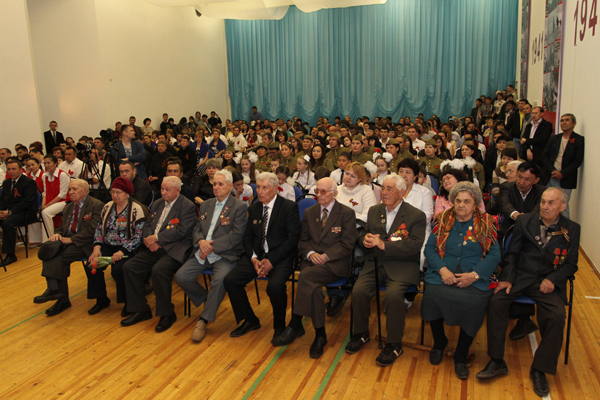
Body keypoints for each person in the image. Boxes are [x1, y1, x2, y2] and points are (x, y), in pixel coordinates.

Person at [477, 188, 579, 398]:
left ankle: (540, 369)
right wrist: (507, 277)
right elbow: (511, 254)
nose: (545, 207)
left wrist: (553, 280)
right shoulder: (525, 221)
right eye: (543, 202)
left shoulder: (572, 229)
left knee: (557, 315)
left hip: (548, 282)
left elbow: (571, 264)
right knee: (496, 301)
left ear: (562, 206)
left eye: (551, 203)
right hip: (521, 277)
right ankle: (497, 360)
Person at [345, 174, 426, 366]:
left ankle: (394, 343)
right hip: (375, 262)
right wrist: (364, 240)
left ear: (402, 192)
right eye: (383, 188)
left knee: (393, 296)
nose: (385, 192)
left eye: (390, 189)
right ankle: (361, 333)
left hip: (403, 265)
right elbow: (364, 232)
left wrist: (384, 245)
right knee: (358, 291)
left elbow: (415, 245)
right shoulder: (375, 211)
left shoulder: (416, 215)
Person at [422, 181, 500, 379]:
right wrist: (443, 270)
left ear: (475, 204)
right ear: (452, 202)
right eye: (458, 201)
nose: (461, 205)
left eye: (467, 201)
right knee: (432, 294)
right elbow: (430, 249)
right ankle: (439, 342)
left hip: (474, 276)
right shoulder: (442, 219)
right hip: (443, 273)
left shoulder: (486, 222)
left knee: (475, 303)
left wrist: (474, 275)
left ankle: (461, 354)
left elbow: (494, 254)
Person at [272, 178, 356, 358]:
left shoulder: (346, 213)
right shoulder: (310, 212)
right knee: (314, 287)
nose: (318, 195)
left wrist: (326, 256)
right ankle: (320, 335)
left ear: (334, 193)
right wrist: (310, 254)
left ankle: (295, 323)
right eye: (317, 191)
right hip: (311, 263)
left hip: (334, 264)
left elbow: (347, 244)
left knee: (305, 277)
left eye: (323, 192)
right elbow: (302, 240)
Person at [224, 172, 301, 340]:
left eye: (264, 187)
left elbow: (292, 240)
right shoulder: (254, 208)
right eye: (258, 187)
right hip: (257, 256)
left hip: (281, 257)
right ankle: (250, 319)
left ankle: (279, 326)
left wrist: (271, 260)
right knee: (230, 280)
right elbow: (247, 237)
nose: (260, 191)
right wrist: (253, 259)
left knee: (274, 287)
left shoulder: (288, 207)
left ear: (275, 189)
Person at [175, 170, 247, 342]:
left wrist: (210, 246)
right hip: (203, 251)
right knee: (181, 277)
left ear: (230, 186)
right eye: (214, 184)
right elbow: (197, 229)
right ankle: (210, 300)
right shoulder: (206, 204)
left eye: (220, 184)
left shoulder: (239, 207)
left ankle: (203, 320)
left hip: (225, 255)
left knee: (220, 280)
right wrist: (201, 241)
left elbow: (236, 236)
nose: (216, 187)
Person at [120, 176, 196, 333]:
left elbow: (182, 231)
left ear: (177, 191)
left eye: (167, 190)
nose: (163, 192)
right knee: (130, 267)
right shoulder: (157, 203)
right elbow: (148, 224)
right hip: (153, 247)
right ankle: (140, 309)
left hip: (175, 249)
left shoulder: (187, 206)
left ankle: (167, 314)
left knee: (159, 271)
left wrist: (157, 238)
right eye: (162, 189)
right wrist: (149, 240)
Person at [33, 180, 104, 315]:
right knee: (49, 253)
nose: (71, 192)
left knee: (60, 258)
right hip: (68, 240)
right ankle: (56, 291)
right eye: (69, 189)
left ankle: (59, 295)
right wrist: (58, 235)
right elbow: (62, 228)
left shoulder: (96, 205)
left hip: (85, 242)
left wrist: (71, 240)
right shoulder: (68, 207)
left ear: (85, 190)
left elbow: (94, 230)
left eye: (74, 189)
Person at [87, 177, 148, 316]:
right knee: (92, 265)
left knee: (118, 269)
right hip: (108, 247)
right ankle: (101, 299)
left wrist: (122, 251)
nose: (115, 195)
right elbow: (99, 228)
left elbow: (138, 236)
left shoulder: (137, 209)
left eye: (118, 192)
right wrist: (97, 247)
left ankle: (128, 302)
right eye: (113, 192)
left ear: (127, 193)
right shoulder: (107, 207)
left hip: (128, 249)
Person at [541, 113, 584, 219]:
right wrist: (552, 171)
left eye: (567, 120)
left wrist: (562, 173)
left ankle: (564, 228)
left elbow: (578, 161)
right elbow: (544, 155)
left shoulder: (578, 139)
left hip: (566, 179)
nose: (563, 122)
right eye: (562, 120)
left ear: (574, 123)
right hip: (550, 177)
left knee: (562, 207)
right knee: (547, 205)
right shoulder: (554, 138)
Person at [0, 160, 38, 265]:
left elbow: (27, 202)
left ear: (21, 170)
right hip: (9, 211)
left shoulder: (29, 182)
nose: (11, 171)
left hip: (25, 212)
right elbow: (3, 200)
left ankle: (10, 255)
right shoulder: (6, 183)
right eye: (9, 169)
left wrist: (10, 212)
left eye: (14, 169)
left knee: (7, 223)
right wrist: (1, 212)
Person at [40, 155, 71, 241]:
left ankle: (49, 239)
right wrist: (43, 204)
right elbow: (45, 192)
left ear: (55, 163)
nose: (46, 165)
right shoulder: (45, 176)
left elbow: (63, 194)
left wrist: (48, 205)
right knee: (41, 211)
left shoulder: (62, 175)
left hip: (64, 201)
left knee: (46, 212)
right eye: (45, 163)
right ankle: (43, 238)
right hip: (52, 201)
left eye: (48, 163)